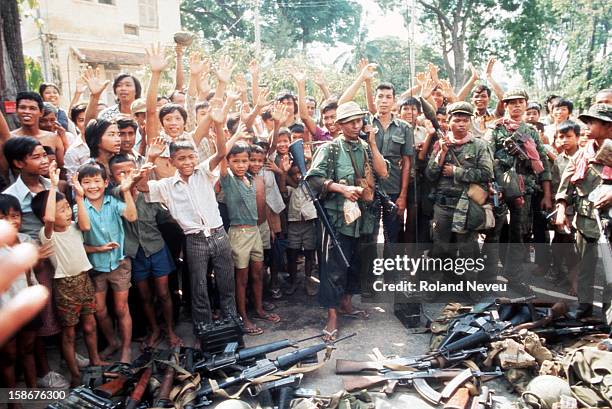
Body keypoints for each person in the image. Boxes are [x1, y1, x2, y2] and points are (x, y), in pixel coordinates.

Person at [143, 116, 238, 329]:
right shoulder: (166, 185)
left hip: (219, 235)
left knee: (226, 282)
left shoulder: (204, 172)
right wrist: (149, 159)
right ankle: (203, 329)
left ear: (196, 157)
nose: (187, 162)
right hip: (194, 240)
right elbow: (141, 187)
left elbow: (221, 153)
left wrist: (219, 125)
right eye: (181, 158)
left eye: (190, 157)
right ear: (172, 161)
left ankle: (231, 325)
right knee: (198, 287)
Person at [306, 101, 388, 341]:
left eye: (359, 121)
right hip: (339, 219)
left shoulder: (365, 147)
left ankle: (346, 303)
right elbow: (313, 179)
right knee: (335, 268)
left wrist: (372, 143)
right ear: (340, 125)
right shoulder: (330, 149)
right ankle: (332, 315)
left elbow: (383, 172)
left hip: (365, 218)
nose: (356, 125)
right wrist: (341, 188)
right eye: (350, 122)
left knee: (357, 264)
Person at [30, 162, 106, 386]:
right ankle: (74, 374)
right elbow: (51, 219)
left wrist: (80, 198)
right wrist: (53, 186)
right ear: (46, 216)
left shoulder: (73, 227)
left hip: (84, 280)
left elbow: (85, 225)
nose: (65, 212)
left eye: (65, 208)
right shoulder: (47, 234)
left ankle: (95, 359)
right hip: (65, 285)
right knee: (70, 333)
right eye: (61, 209)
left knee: (90, 326)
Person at [108, 154, 181, 348]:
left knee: (164, 293)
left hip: (156, 247)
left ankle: (169, 329)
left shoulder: (149, 194)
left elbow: (168, 215)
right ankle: (155, 329)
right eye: (120, 173)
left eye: (130, 171)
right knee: (145, 296)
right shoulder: (115, 196)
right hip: (134, 253)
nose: (126, 176)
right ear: (112, 176)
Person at [487, 89, 552, 287]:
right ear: (505, 106)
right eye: (511, 102)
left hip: (524, 189)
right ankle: (488, 277)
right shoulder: (495, 129)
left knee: (519, 233)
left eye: (520, 102)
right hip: (499, 187)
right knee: (493, 231)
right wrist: (490, 184)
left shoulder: (531, 131)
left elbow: (543, 162)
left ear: (526, 104)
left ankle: (513, 275)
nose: (516, 105)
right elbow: (487, 157)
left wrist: (547, 193)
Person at [76, 163, 137, 363]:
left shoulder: (113, 202)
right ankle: (113, 342)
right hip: (96, 267)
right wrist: (78, 197)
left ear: (105, 182)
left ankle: (126, 348)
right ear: (80, 185)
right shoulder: (79, 207)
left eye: (96, 181)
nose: (92, 186)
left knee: (121, 308)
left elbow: (131, 215)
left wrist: (126, 191)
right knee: (100, 310)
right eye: (86, 182)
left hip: (119, 263)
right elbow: (84, 226)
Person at [220, 137, 281, 335]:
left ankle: (259, 309)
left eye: (244, 160)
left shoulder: (253, 178)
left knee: (258, 273)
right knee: (242, 278)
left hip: (255, 231)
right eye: (235, 161)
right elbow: (221, 153)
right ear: (228, 161)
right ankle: (243, 317)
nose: (241, 165)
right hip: (239, 233)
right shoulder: (228, 179)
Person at [555, 104, 612, 317]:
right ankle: (583, 306)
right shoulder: (583, 154)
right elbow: (567, 182)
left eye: (592, 122)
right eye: (586, 122)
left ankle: (609, 317)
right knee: (585, 269)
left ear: (607, 126)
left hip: (608, 224)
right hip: (586, 222)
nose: (586, 127)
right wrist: (561, 207)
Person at [425, 102, 494, 270]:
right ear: (449, 121)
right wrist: (441, 153)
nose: (461, 124)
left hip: (467, 206)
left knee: (467, 249)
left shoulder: (480, 146)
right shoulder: (441, 144)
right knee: (440, 248)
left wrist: (457, 172)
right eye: (456, 120)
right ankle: (434, 289)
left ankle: (469, 289)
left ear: (470, 122)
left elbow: (486, 174)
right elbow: (430, 175)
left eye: (465, 120)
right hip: (443, 206)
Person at [0, 194, 45, 402]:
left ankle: (33, 391)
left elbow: (35, 272)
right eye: (3, 218)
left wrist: (39, 258)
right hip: (5, 310)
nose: (11, 222)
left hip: (28, 304)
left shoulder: (26, 240)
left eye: (14, 215)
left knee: (28, 349)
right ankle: (14, 401)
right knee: (9, 357)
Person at [550, 120, 580, 293]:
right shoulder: (559, 160)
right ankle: (560, 274)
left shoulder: (586, 156)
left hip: (579, 209)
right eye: (560, 137)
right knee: (559, 244)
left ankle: (575, 281)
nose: (564, 140)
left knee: (573, 247)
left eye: (568, 136)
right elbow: (556, 185)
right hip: (562, 208)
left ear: (577, 137)